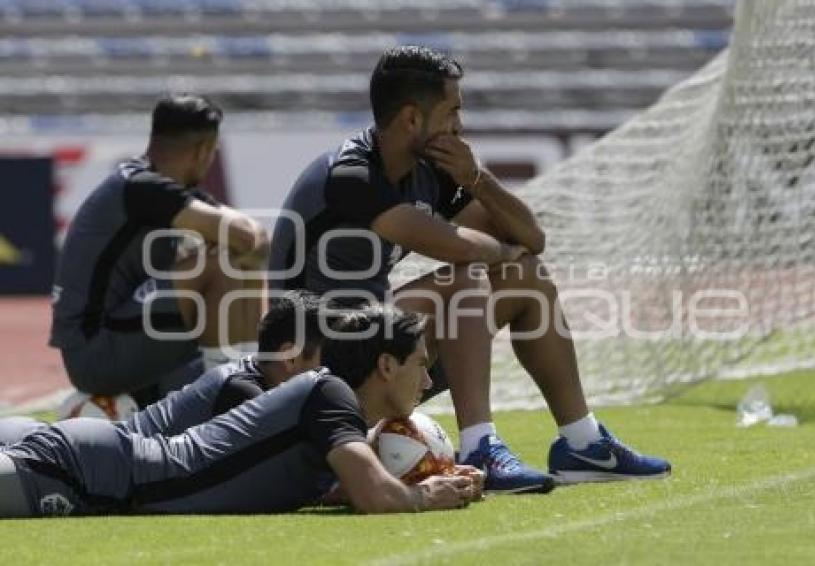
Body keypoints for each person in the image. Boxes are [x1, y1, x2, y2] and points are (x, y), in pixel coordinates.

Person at [269, 45, 670, 491]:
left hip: (375, 348)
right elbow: (455, 247)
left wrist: (476, 177)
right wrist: (498, 253)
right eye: (452, 111)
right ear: (412, 119)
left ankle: (582, 442)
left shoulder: (428, 171)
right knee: (466, 277)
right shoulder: (351, 175)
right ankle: (480, 446)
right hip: (317, 363)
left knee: (528, 278)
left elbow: (531, 239)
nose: (459, 125)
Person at [0, 305, 483, 517]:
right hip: (90, 472)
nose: (426, 381)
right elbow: (375, 498)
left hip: (101, 464)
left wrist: (433, 473)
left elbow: (355, 489)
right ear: (384, 364)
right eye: (421, 365)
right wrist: (426, 495)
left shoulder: (330, 402)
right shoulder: (331, 394)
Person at [49, 94, 269, 407]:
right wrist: (240, 245)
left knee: (237, 260)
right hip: (96, 352)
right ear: (203, 151)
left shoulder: (169, 191)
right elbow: (249, 236)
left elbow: (253, 243)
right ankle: (227, 400)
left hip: (125, 335)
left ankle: (247, 383)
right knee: (223, 261)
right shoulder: (140, 186)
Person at [0, 290, 327, 445]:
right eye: (325, 361)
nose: (330, 374)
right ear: (291, 356)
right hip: (73, 450)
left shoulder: (249, 380)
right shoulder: (244, 392)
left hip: (78, 445)